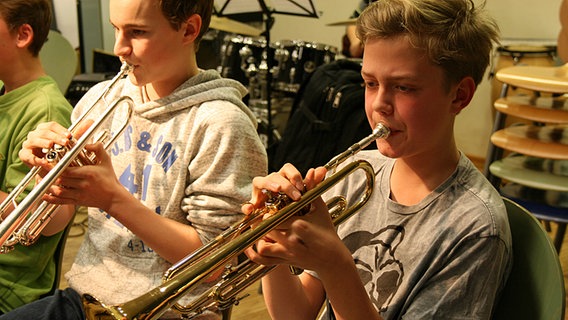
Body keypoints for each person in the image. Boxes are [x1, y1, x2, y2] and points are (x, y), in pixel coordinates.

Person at [244, 0, 512, 319]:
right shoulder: (356, 174)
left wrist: (337, 267)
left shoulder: (474, 228)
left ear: (459, 95)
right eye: (370, 83)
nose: (378, 105)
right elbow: (295, 314)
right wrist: (271, 239)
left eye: (403, 87)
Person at [0, 0, 267, 319]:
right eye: (116, 29)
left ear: (189, 29)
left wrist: (113, 200)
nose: (118, 48)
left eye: (137, 32)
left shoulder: (222, 123)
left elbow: (213, 264)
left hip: (170, 310)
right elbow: (56, 220)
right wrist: (47, 174)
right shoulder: (100, 100)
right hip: (86, 297)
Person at [0, 0, 73, 313]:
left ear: (23, 35)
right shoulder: (6, 92)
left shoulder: (45, 110)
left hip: (9, 283)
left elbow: (35, 221)